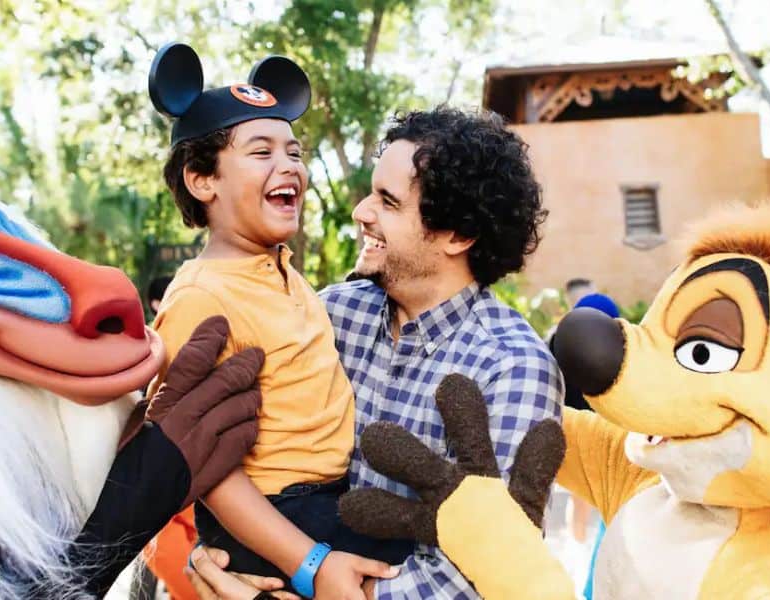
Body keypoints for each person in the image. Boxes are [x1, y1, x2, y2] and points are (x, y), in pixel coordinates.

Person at [188, 106, 563, 600]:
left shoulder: (512, 367)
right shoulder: (332, 314)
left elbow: (478, 573)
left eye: (388, 202)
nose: (361, 212)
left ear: (457, 234)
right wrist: (225, 556)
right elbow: (228, 449)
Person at [146, 43, 408, 600]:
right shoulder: (201, 295)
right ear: (202, 180)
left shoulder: (285, 272)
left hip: (327, 500)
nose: (289, 165)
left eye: (293, 151)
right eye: (261, 152)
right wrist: (310, 563)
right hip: (275, 520)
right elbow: (203, 463)